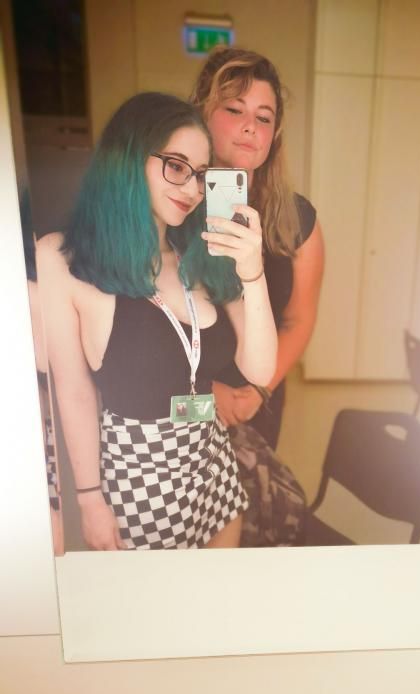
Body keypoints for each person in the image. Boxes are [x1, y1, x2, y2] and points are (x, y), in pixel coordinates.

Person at [37, 92, 276, 551]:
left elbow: (260, 370)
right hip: (139, 482)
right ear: (128, 157)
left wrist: (253, 271)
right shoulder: (63, 258)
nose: (192, 188)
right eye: (176, 166)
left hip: (213, 468)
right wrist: (89, 499)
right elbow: (74, 389)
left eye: (201, 174)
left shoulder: (202, 253)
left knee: (216, 594)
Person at [192, 46, 324, 450]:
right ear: (202, 113)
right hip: (183, 399)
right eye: (235, 109)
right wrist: (203, 391)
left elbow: (298, 320)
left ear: (273, 135)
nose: (250, 126)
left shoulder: (297, 219)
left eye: (263, 117)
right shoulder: (173, 206)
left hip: (259, 399)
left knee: (254, 488)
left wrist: (259, 391)